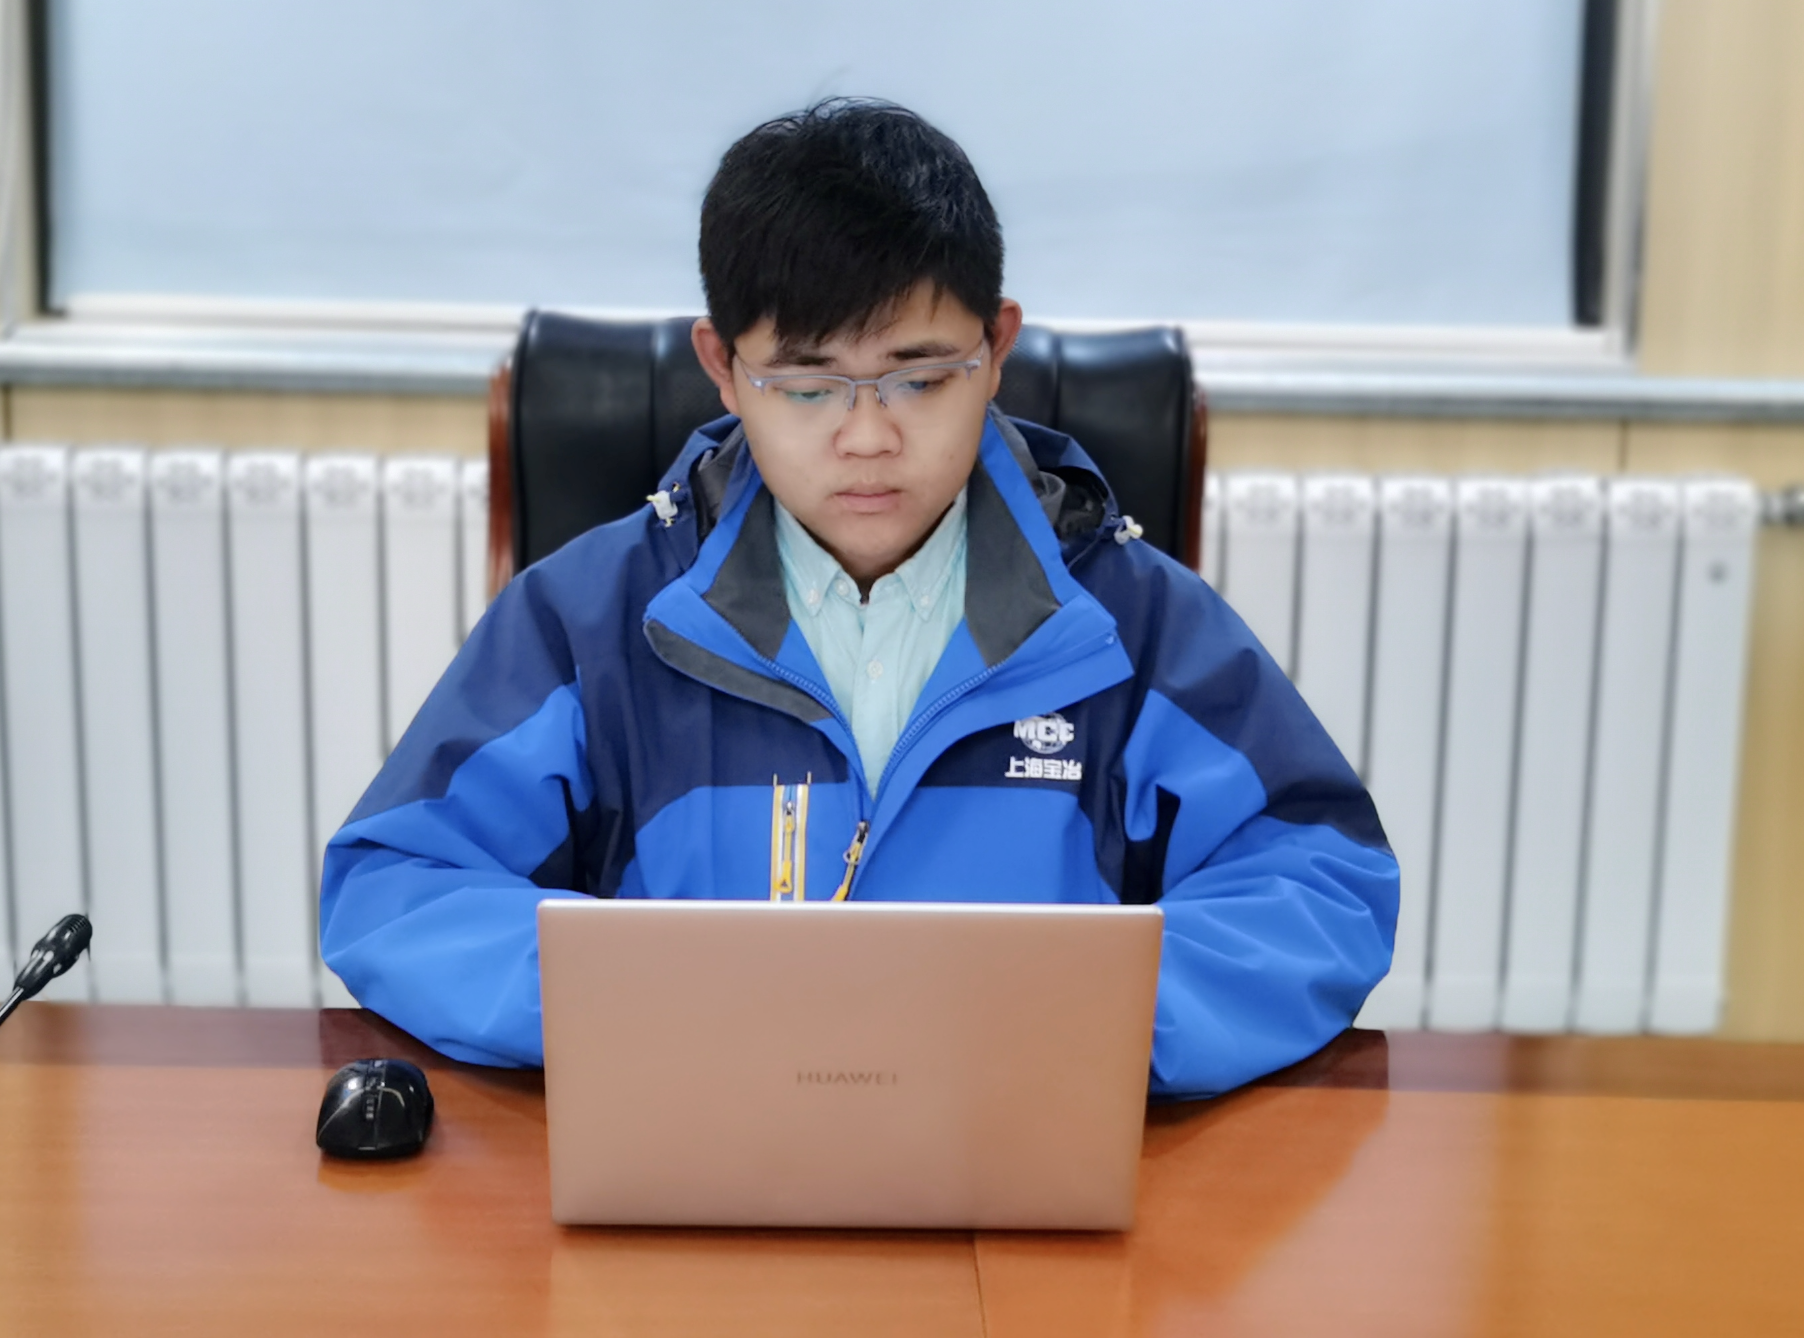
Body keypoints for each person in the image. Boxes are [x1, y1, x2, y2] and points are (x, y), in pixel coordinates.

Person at [320, 98, 1397, 1099]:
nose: (869, 437)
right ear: (723, 367)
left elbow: (1320, 884)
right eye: (806, 385)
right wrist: (652, 1016)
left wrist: (1081, 1031)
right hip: (698, 1154)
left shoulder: (1133, 624)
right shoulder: (588, 622)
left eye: (920, 378)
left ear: (997, 350)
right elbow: (398, 884)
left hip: (1016, 1153)